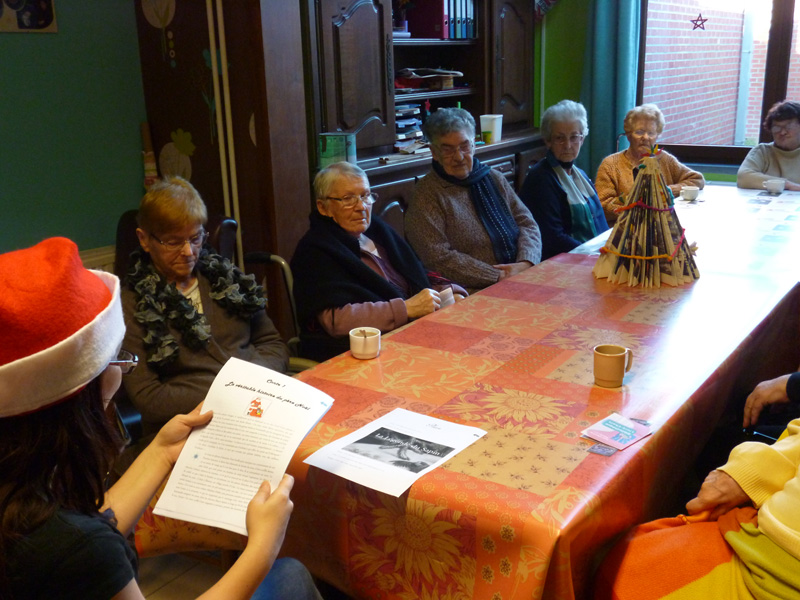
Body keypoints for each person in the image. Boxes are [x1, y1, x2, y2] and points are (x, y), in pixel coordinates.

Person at [0, 237, 322, 600]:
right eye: (116, 358)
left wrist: (161, 451)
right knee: (291, 574)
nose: (122, 369)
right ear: (79, 396)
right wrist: (262, 547)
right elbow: (83, 544)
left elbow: (88, 526)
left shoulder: (28, 503)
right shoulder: (80, 550)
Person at [121, 176, 289, 443]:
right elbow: (148, 398)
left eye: (196, 238)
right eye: (173, 242)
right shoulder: (131, 304)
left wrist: (254, 383)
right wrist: (232, 390)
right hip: (186, 434)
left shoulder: (226, 278)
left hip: (258, 408)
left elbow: (272, 343)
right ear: (144, 239)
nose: (189, 252)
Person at [291, 161, 467, 362]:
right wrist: (406, 308)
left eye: (365, 196)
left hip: (408, 334)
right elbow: (336, 321)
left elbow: (415, 274)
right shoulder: (316, 251)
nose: (361, 207)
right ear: (323, 207)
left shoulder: (377, 231)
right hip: (357, 353)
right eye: (348, 199)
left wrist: (449, 292)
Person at [405, 107, 542, 291]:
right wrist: (498, 276)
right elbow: (437, 258)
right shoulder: (426, 195)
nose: (459, 157)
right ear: (434, 152)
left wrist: (526, 262)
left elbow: (527, 223)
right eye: (447, 150)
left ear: (474, 144)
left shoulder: (493, 178)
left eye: (464, 146)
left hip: (521, 275)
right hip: (470, 291)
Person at [519, 100, 608, 259]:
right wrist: (596, 255)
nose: (567, 145)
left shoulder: (579, 174)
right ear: (548, 141)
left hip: (592, 256)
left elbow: (600, 224)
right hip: (563, 262)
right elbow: (553, 239)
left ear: (582, 139)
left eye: (574, 137)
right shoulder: (540, 179)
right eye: (560, 138)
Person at [595, 104, 705, 224]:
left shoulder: (664, 159)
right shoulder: (611, 164)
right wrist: (635, 201)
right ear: (628, 135)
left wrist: (666, 191)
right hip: (623, 229)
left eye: (651, 133)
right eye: (639, 132)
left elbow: (696, 179)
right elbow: (602, 206)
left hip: (661, 227)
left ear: (657, 136)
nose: (646, 137)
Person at [737, 100, 800, 191]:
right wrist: (786, 184)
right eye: (776, 127)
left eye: (789, 127)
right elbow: (743, 177)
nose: (782, 132)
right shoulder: (763, 151)